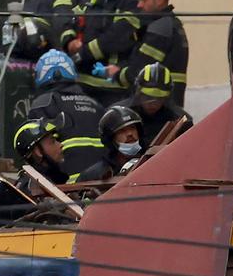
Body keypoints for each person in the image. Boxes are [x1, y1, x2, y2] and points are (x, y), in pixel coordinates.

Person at [63, 0, 140, 105]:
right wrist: (69, 41)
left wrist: (82, 53)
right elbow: (71, 18)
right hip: (82, 87)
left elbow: (117, 38)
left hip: (114, 90)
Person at [27, 50, 104, 179]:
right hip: (102, 182)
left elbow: (38, 151)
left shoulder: (42, 103)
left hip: (67, 187)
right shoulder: (95, 104)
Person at [112, 0, 189, 106]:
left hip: (158, 104)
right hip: (166, 103)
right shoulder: (170, 24)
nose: (139, 5)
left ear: (159, 0)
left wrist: (116, 73)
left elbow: (139, 70)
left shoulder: (160, 28)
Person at [122, 63, 192, 147]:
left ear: (167, 97)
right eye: (147, 97)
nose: (152, 103)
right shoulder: (120, 116)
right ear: (138, 93)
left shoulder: (180, 120)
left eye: (159, 98)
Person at [76, 105, 143, 182]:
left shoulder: (152, 162)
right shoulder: (93, 175)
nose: (130, 134)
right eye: (122, 131)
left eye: (132, 128)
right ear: (110, 139)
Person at [13, 119, 68, 187]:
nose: (60, 145)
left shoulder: (48, 181)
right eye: (53, 141)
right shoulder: (33, 189)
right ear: (38, 151)